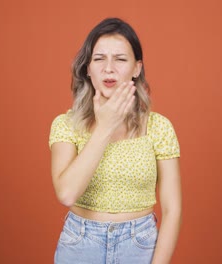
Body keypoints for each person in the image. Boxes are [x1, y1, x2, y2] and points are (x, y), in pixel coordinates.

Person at [49, 17, 181, 264]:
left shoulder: (159, 127)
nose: (109, 68)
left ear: (136, 68)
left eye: (120, 59)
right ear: (88, 68)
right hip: (80, 247)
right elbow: (66, 193)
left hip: (140, 247)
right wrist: (105, 127)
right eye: (99, 59)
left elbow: (173, 209)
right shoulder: (65, 125)